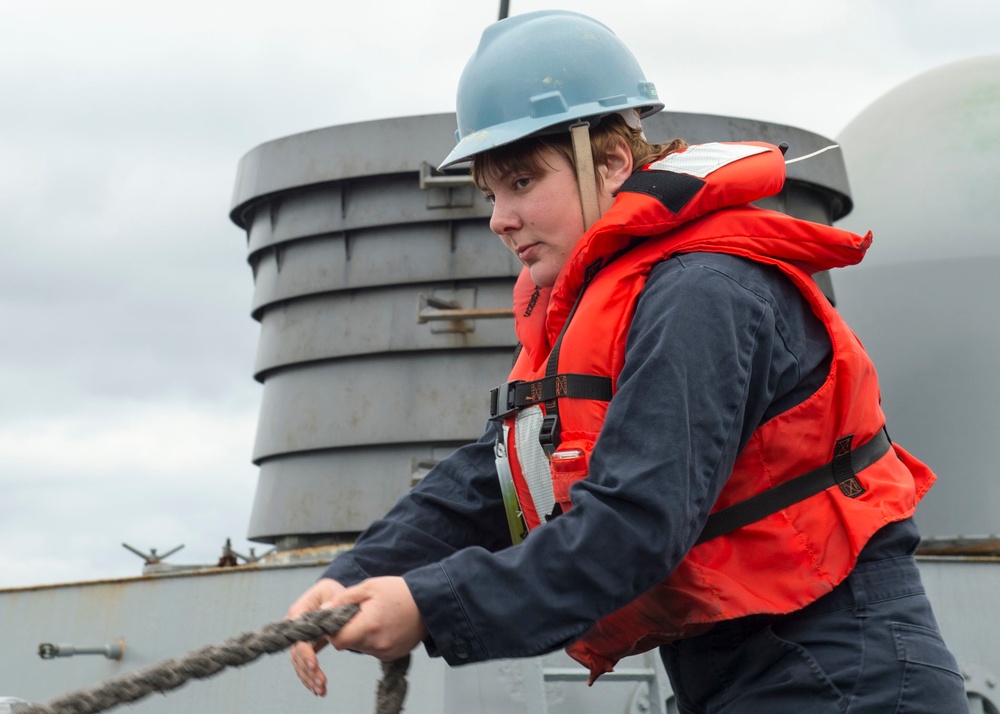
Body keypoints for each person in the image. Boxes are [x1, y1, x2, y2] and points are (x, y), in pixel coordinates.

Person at [288, 10, 967, 712]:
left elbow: (635, 524)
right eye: (493, 193)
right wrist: (365, 570)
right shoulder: (610, 302)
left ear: (611, 164)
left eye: (522, 182)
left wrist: (429, 603)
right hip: (746, 669)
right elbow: (501, 474)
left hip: (840, 669)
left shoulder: (704, 292)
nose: (499, 217)